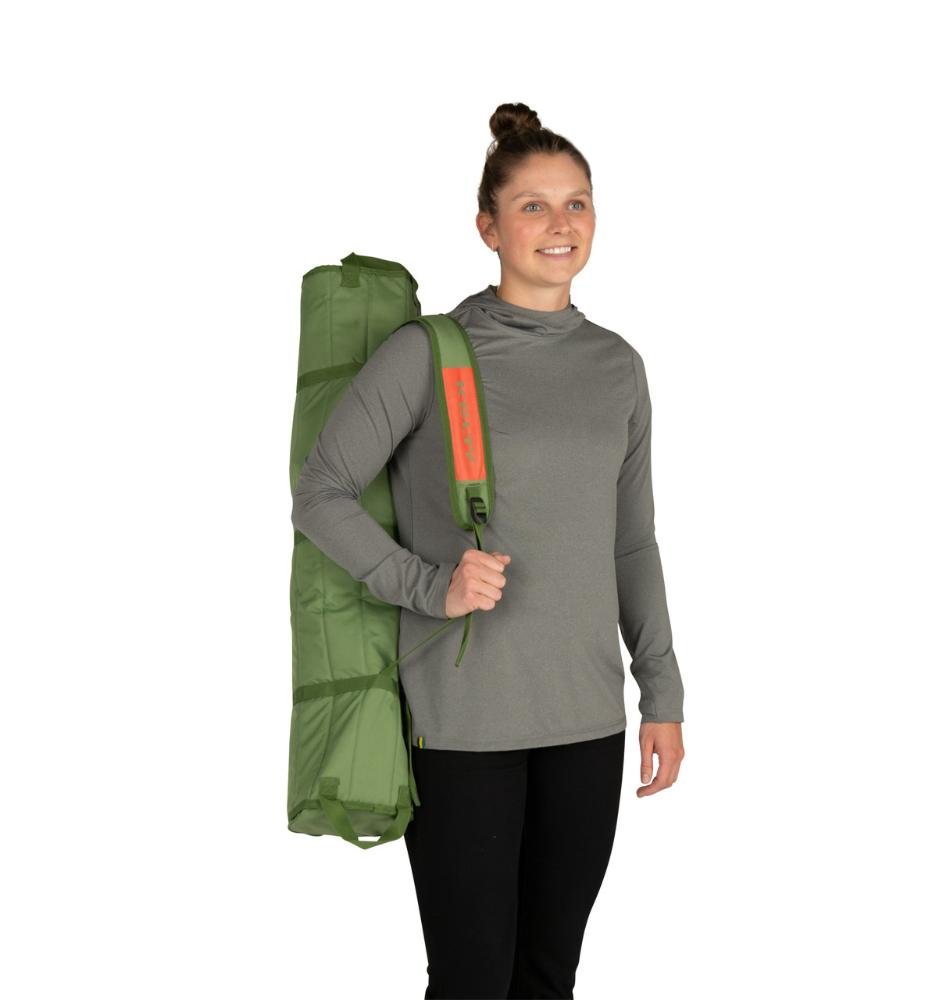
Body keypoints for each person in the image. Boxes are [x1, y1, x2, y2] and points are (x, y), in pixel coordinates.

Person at [291, 101, 686, 999]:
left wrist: (661, 693)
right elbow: (321, 493)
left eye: (576, 203)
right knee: (472, 981)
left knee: (549, 975)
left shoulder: (618, 366)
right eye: (533, 206)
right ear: (489, 227)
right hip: (464, 722)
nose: (560, 224)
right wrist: (426, 585)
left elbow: (632, 542)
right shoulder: (430, 352)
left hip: (588, 720)